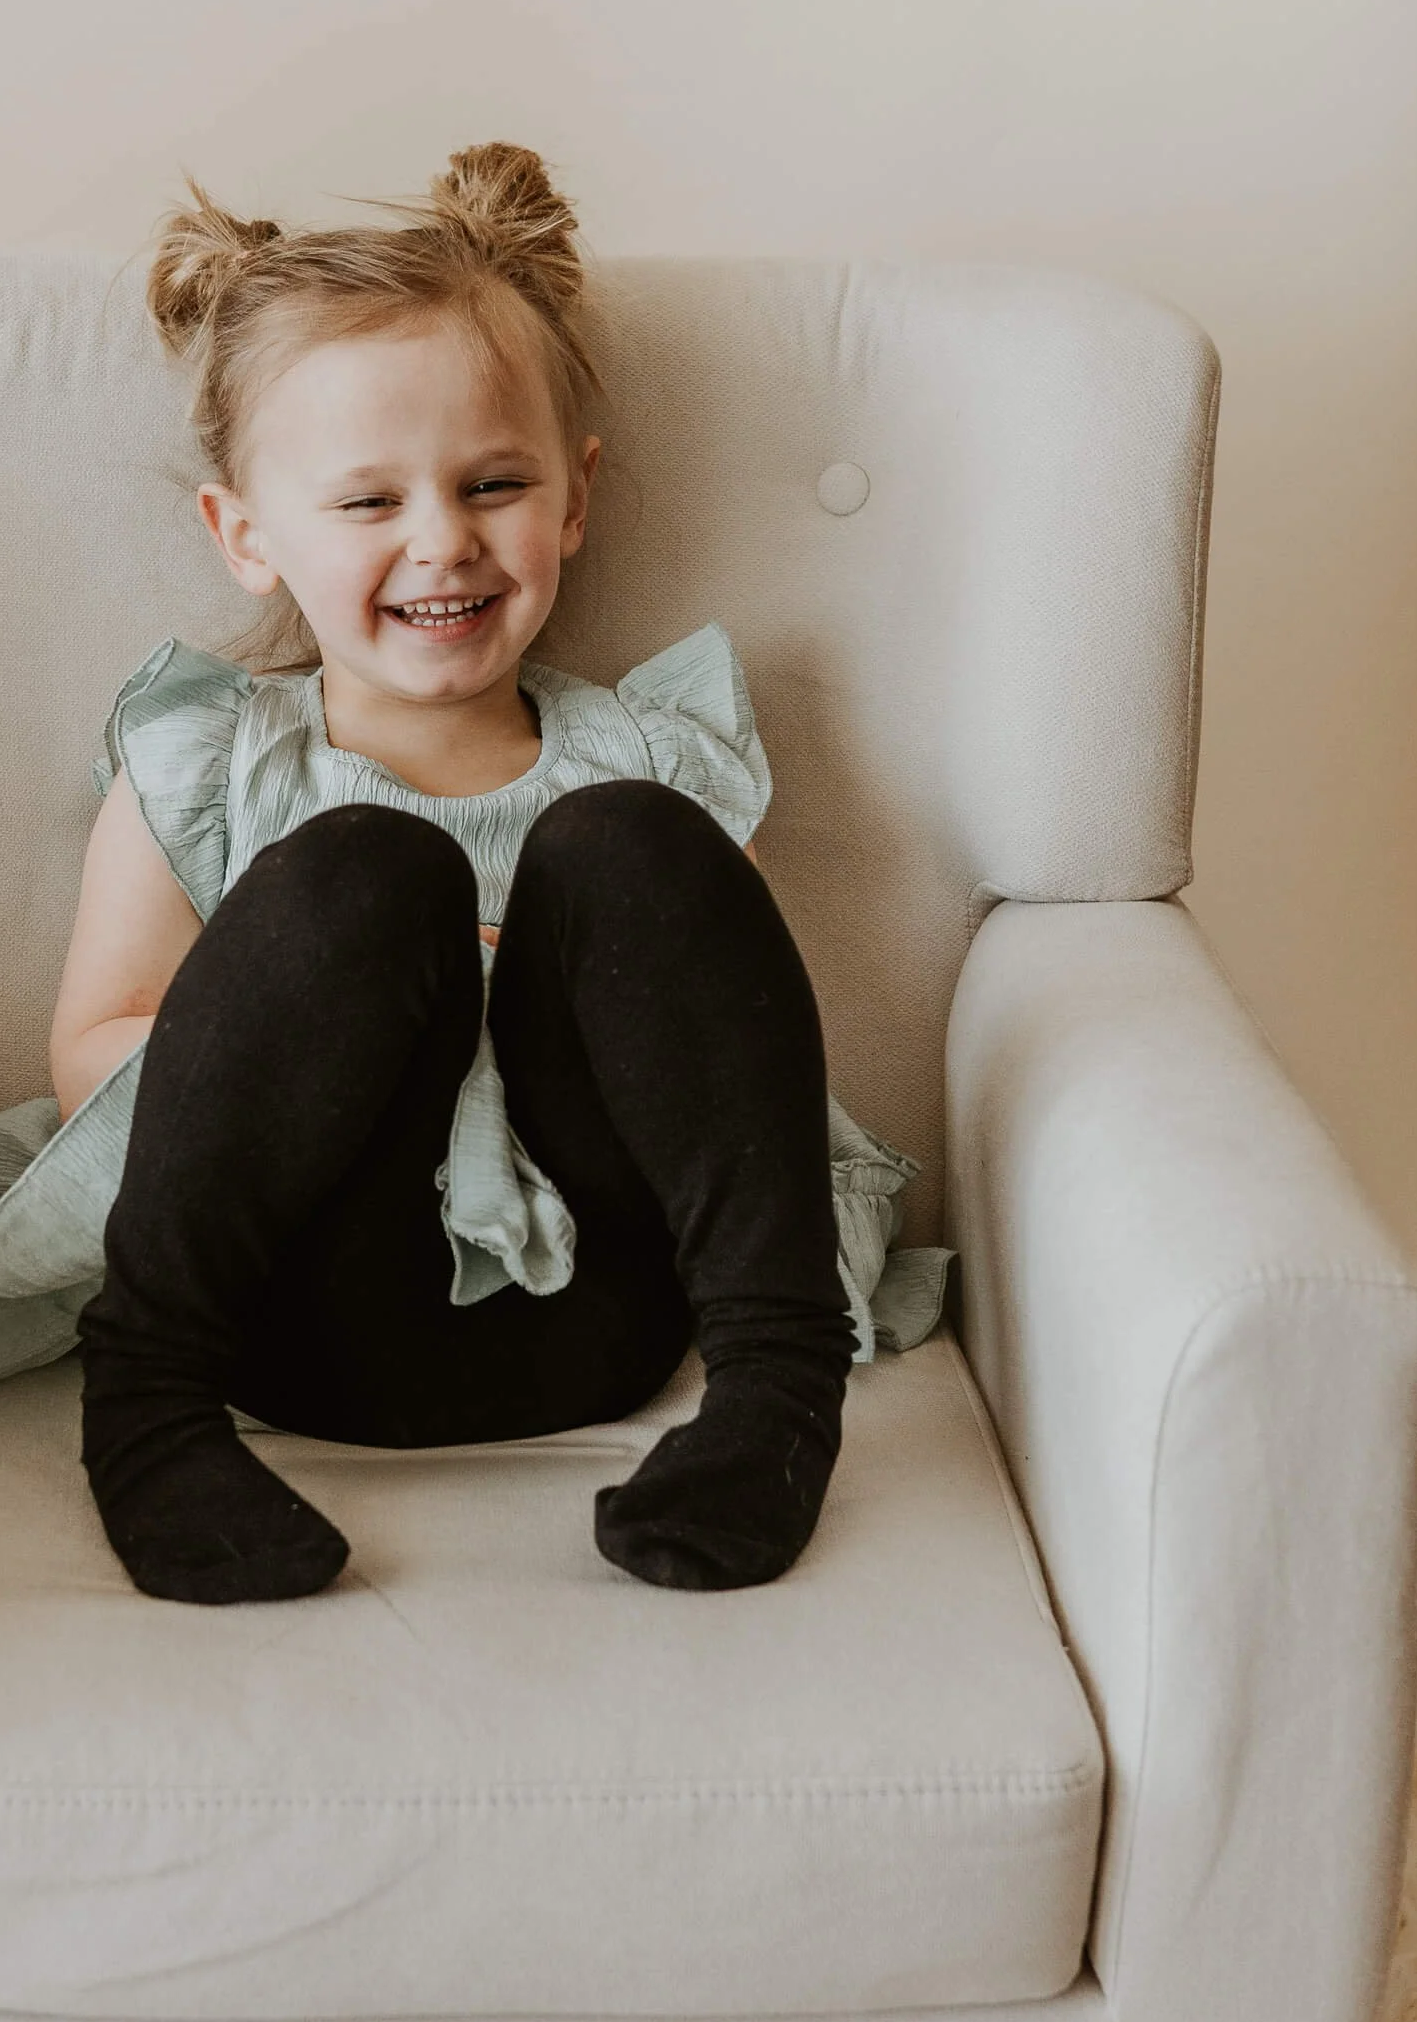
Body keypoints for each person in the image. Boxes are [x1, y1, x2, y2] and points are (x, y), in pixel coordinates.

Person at [52, 143, 855, 1608]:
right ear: (246, 534)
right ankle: (144, 1413)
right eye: (368, 504)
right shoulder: (206, 762)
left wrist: (537, 997)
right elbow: (89, 1055)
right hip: (296, 1316)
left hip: (608, 1314)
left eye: (495, 484)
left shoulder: (651, 761)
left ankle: (782, 1395)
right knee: (359, 877)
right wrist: (318, 1020)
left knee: (629, 846)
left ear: (574, 499)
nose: (445, 541)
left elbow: (733, 1058)